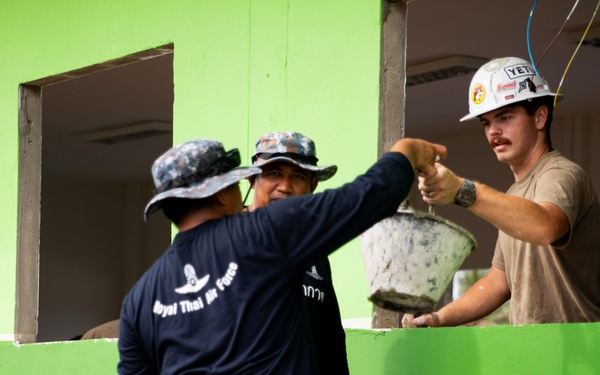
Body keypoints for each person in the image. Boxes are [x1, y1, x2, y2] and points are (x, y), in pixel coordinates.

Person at [117, 137, 445, 374]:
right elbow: (368, 196)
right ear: (220, 195)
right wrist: (408, 151)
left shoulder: (138, 300)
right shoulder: (262, 234)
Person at [402, 56, 600, 328]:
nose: (494, 131)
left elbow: (545, 227)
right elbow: (498, 282)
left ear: (540, 116)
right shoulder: (514, 193)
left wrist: (463, 191)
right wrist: (438, 318)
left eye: (505, 117)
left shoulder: (561, 173)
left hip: (581, 359)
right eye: (486, 122)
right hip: (532, 353)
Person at [244, 131, 348, 374]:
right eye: (274, 173)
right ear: (252, 179)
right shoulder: (220, 239)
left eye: (298, 176)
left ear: (312, 185)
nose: (285, 187)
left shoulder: (313, 251)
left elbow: (330, 339)